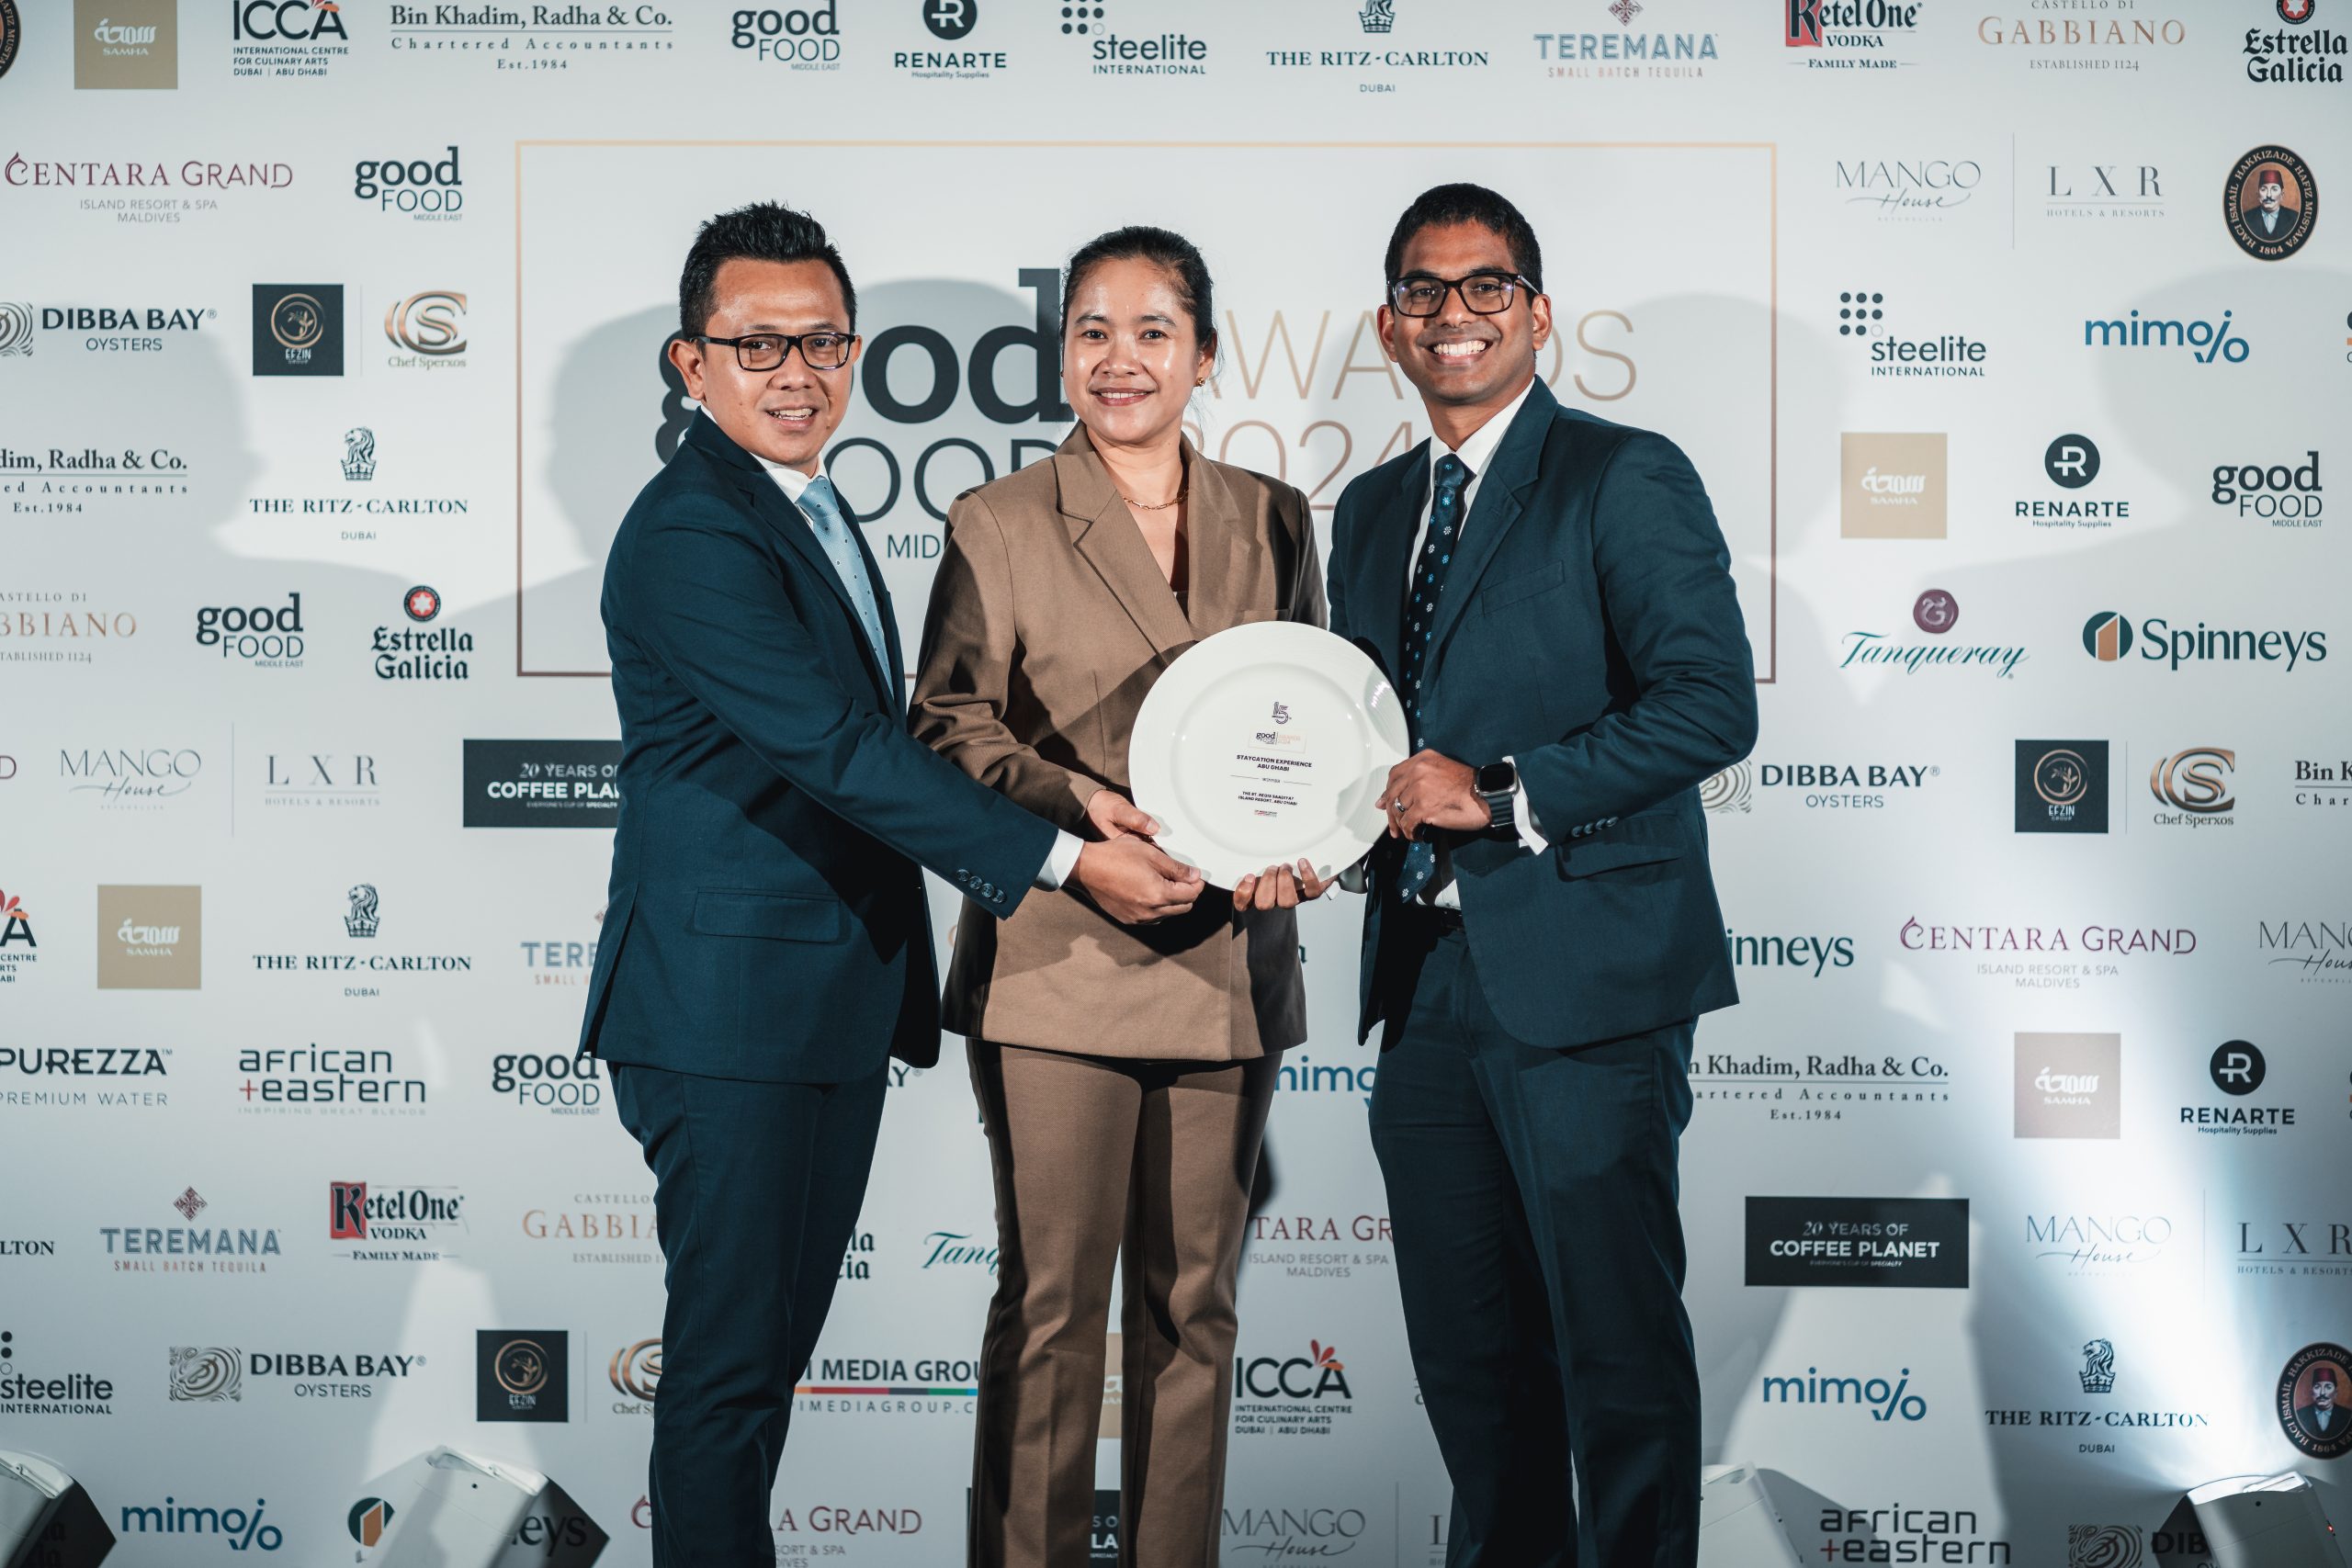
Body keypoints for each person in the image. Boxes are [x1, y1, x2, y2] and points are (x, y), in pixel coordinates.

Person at [576, 202, 1203, 1568]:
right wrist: (1064, 857)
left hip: (808, 1006)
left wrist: (1072, 797)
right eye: (757, 345)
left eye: (823, 342)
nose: (796, 372)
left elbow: (884, 740)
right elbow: (838, 750)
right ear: (692, 363)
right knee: (729, 1378)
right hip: (726, 1014)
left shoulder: (801, 501)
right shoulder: (693, 529)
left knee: (756, 1371)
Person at [1326, 184, 1758, 1568]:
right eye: (1423, 290)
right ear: (1390, 323)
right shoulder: (1373, 508)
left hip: (1589, 979)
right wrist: (1318, 827)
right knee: (1473, 1372)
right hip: (1424, 981)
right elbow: (1368, 732)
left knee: (1615, 1360)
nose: (1453, 313)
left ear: (1539, 312)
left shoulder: (1621, 474)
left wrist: (1504, 793)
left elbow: (1710, 705)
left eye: (1486, 286)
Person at [910, 225, 1325, 1568]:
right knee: (1050, 1313)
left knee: (1194, 1312)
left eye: (1153, 330)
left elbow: (1314, 714)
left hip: (1228, 960)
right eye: (1092, 330)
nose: (1120, 357)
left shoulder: (1275, 514)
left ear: (1205, 355)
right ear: (1062, 355)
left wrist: (1313, 837)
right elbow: (947, 725)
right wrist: (1077, 811)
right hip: (1059, 961)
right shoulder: (1000, 519)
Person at [2299, 1363, 2342, 1443]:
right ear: (2311, 1392)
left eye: (2328, 1387)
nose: (2322, 1393)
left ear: (2336, 1393)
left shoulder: (2347, 1415)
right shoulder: (2300, 1414)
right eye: (2317, 1387)